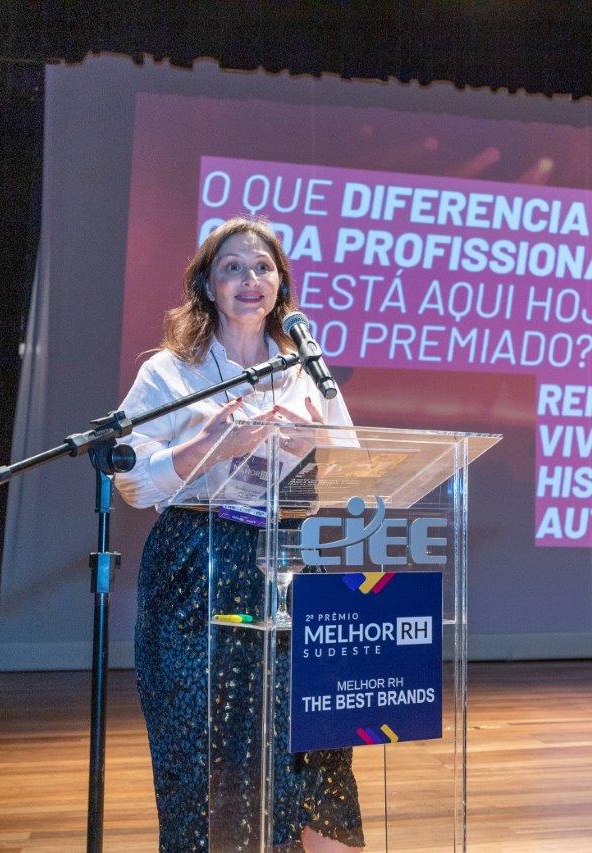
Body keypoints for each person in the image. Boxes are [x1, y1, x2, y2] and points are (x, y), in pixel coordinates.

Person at [114, 217, 364, 851]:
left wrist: (313, 448)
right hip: (197, 569)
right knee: (203, 744)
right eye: (232, 267)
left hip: (294, 564)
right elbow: (131, 478)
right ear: (207, 285)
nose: (249, 279)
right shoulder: (173, 372)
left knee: (310, 743)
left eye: (262, 267)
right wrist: (207, 445)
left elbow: (355, 474)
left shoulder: (307, 369)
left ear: (281, 284)